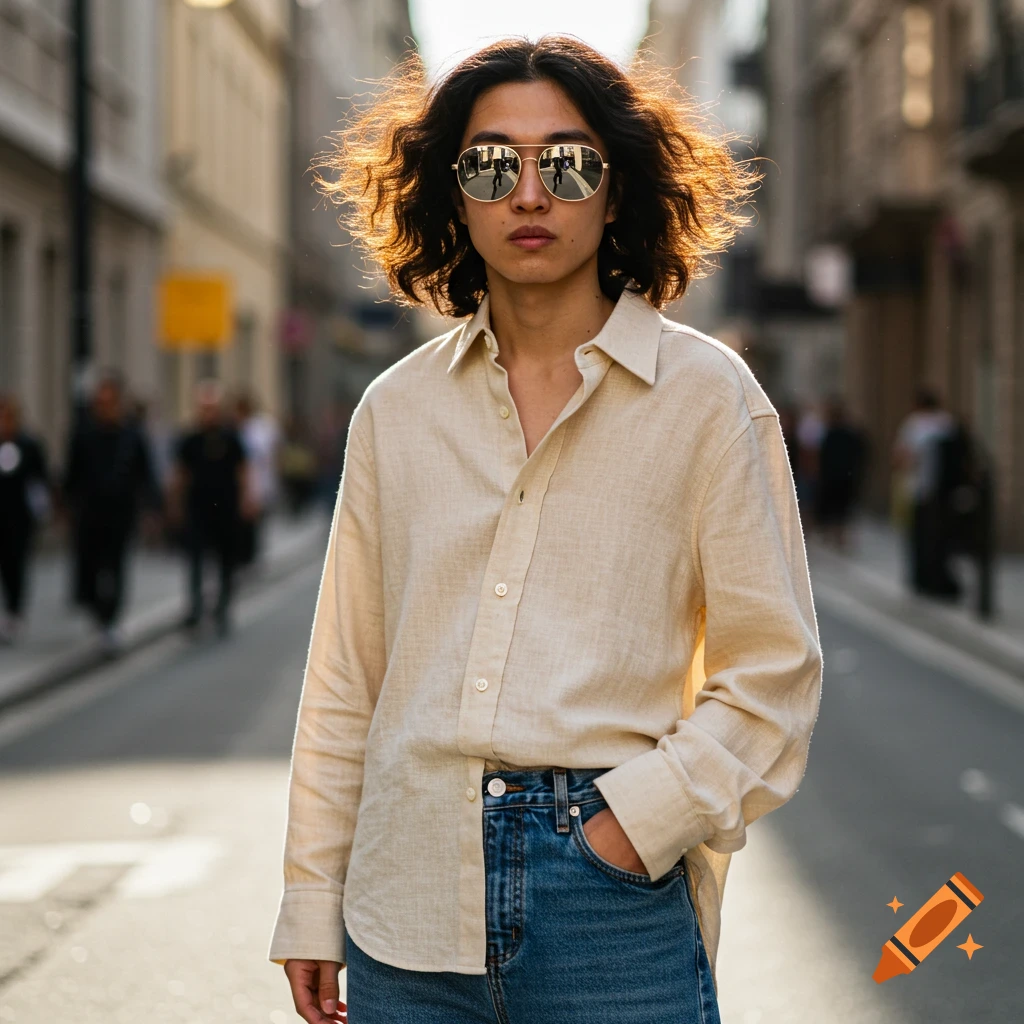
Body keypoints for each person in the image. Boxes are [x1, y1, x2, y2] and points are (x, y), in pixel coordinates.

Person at [269, 37, 822, 1024]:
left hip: (609, 906)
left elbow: (772, 674)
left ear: (616, 192)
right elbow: (345, 681)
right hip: (405, 906)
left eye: (566, 163)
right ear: (454, 193)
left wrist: (624, 825)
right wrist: (314, 899)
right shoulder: (394, 411)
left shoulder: (707, 398)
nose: (529, 193)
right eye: (491, 164)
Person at [63, 372, 161, 654]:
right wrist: (66, 506)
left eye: (109, 401)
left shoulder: (132, 435)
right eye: (100, 401)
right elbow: (71, 474)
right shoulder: (83, 433)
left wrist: (153, 509)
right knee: (91, 567)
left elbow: (145, 473)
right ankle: (99, 614)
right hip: (90, 513)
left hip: (121, 512)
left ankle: (111, 619)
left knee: (116, 567)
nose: (104, 407)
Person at [169, 380, 252, 636]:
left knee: (226, 561)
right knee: (195, 560)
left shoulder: (231, 438)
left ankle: (222, 608)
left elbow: (243, 472)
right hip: (198, 509)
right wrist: (174, 505)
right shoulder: (190, 440)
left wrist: (247, 500)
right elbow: (180, 475)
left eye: (212, 408)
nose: (208, 413)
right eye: (204, 408)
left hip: (226, 509)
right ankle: (195, 609)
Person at [892, 387, 959, 598]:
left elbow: (901, 458)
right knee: (941, 538)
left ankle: (920, 580)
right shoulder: (947, 423)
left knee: (917, 536)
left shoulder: (914, 424)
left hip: (918, 489)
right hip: (944, 492)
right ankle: (938, 579)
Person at [0, 396, 50, 644]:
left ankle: (14, 611)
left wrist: (43, 512)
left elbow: (40, 482)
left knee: (15, 564)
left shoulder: (28, 445)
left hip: (19, 519)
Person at [815, 395, 867, 551]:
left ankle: (837, 536)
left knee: (836, 508)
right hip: (846, 476)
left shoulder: (831, 433)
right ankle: (839, 537)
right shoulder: (849, 433)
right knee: (842, 508)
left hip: (834, 476)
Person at [234, 393, 280, 567]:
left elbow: (267, 455)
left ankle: (251, 555)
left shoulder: (259, 428)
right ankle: (246, 555)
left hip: (259, 480)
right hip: (253, 481)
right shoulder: (240, 427)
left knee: (256, 520)